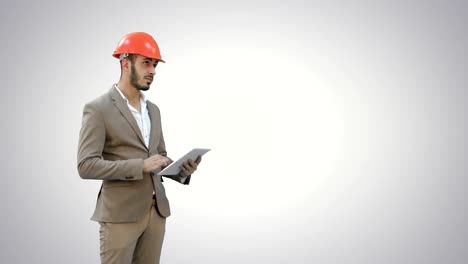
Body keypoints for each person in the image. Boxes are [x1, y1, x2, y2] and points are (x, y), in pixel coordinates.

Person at [77, 32, 202, 264]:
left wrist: (182, 169)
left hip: (156, 214)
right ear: (125, 63)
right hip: (120, 216)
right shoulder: (97, 109)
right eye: (146, 63)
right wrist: (140, 166)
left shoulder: (153, 110)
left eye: (154, 64)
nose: (153, 70)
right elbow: (86, 166)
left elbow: (159, 157)